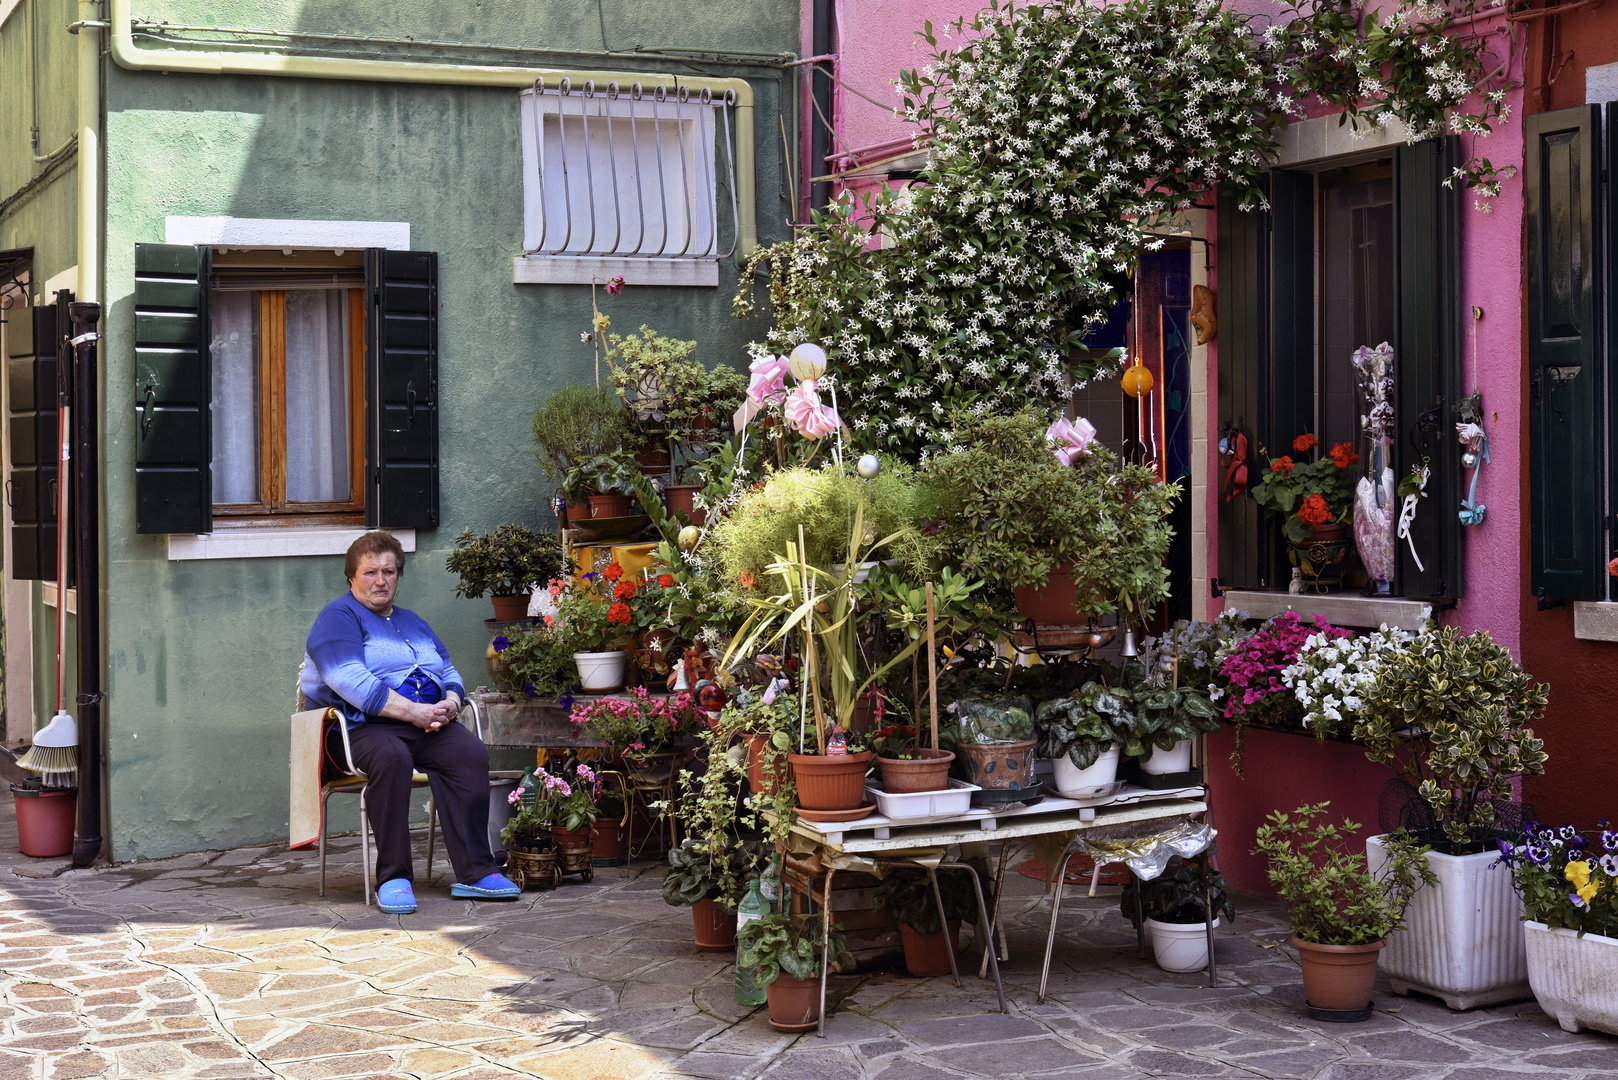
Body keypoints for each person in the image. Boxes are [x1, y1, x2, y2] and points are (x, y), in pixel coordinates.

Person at [302, 531, 518, 914]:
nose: (380, 580)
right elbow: (348, 679)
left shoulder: (413, 622)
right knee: (392, 757)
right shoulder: (338, 617)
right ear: (351, 577)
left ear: (399, 576)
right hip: (357, 730)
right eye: (370, 572)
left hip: (422, 726)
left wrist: (450, 702)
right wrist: (413, 711)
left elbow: (447, 668)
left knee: (468, 752)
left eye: (389, 571)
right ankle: (394, 876)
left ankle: (476, 872)